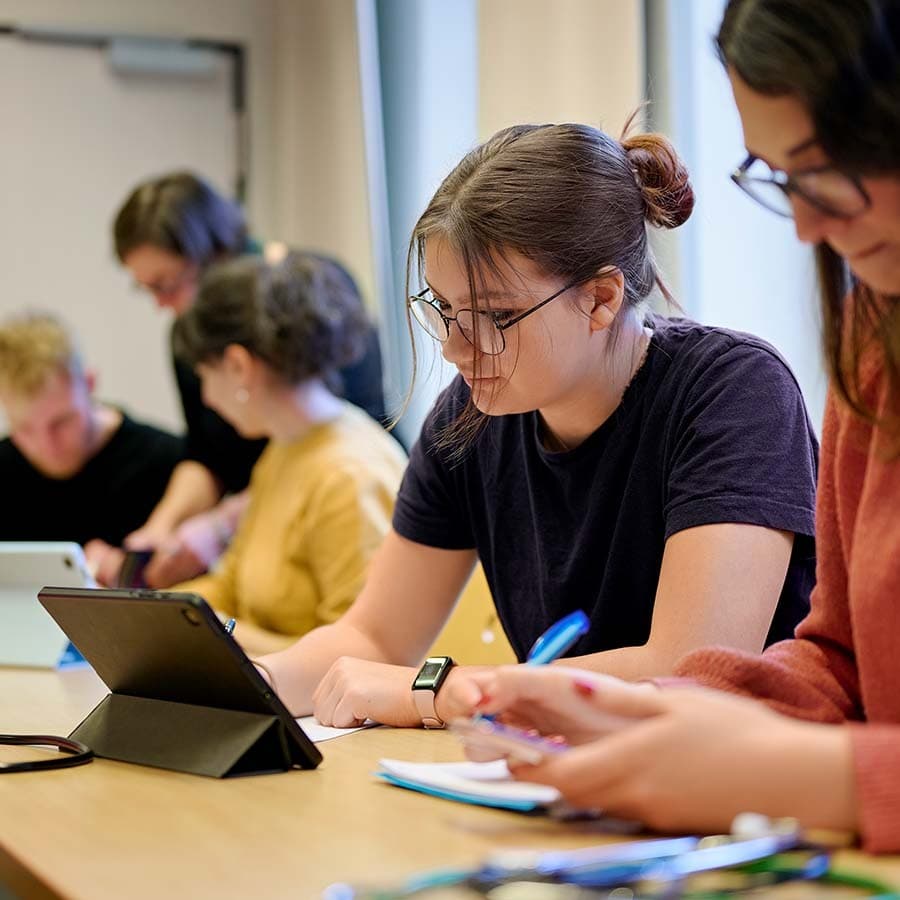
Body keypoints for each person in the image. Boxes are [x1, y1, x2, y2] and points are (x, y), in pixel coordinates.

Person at [461, 0, 900, 856]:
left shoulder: (732, 383)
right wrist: (659, 711)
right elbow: (842, 660)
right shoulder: (874, 336)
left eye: (822, 171)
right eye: (779, 177)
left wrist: (807, 775)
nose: (806, 226)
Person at [258, 120, 820, 729]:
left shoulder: (734, 393)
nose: (454, 348)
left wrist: (442, 691)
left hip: (746, 770)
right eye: (444, 308)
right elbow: (374, 637)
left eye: (496, 315)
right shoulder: (469, 415)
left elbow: (689, 673)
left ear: (601, 299)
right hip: (561, 763)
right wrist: (247, 681)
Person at [109, 173, 387, 587]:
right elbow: (206, 455)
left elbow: (356, 422)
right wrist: (161, 528)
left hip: (318, 517)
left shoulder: (311, 291)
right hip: (264, 523)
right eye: (145, 289)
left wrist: (221, 526)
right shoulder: (275, 463)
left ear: (211, 253)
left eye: (165, 284)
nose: (160, 304)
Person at [163, 252, 406, 656]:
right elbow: (231, 583)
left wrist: (220, 631)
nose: (206, 397)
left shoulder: (349, 475)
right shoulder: (285, 447)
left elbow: (361, 655)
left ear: (238, 366)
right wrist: (156, 611)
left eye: (205, 374)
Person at [0, 313, 182, 551]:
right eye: (24, 428)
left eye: (61, 422)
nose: (47, 446)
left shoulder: (171, 462)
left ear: (89, 384)